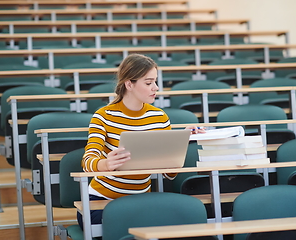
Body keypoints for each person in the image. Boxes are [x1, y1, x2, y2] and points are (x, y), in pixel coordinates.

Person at [77, 53, 205, 230]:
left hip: (141, 202)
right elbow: (87, 161)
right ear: (129, 84)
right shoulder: (103, 116)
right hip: (101, 201)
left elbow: (169, 174)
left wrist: (179, 144)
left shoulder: (159, 117)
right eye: (148, 83)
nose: (156, 87)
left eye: (155, 81)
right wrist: (105, 164)